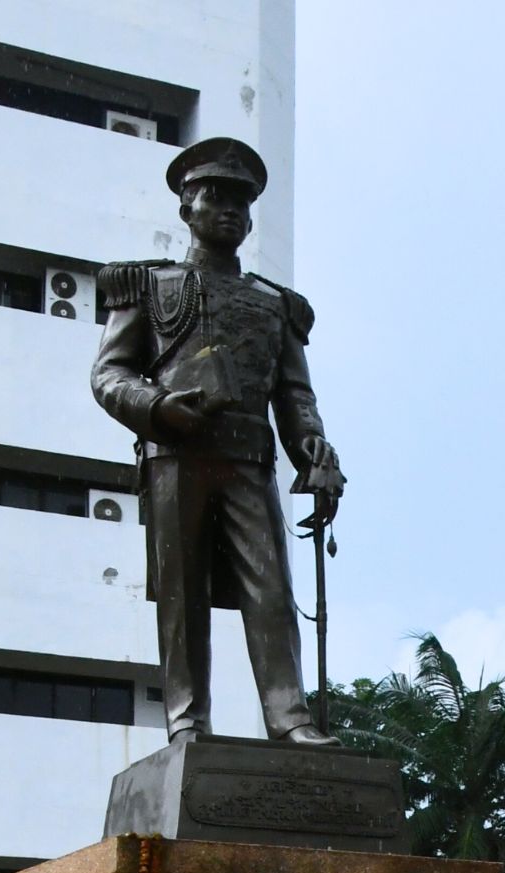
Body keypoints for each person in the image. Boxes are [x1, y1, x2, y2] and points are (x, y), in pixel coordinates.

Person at [91, 137, 345, 744]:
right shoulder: (147, 286)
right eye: (215, 198)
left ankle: (290, 717)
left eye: (241, 202)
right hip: (175, 454)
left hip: (248, 459)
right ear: (187, 209)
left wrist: (314, 450)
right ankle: (186, 721)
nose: (230, 210)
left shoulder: (276, 305)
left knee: (272, 592)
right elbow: (109, 374)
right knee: (183, 598)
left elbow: (295, 396)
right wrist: (157, 406)